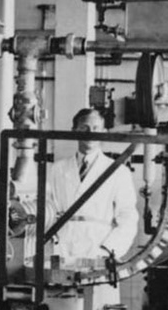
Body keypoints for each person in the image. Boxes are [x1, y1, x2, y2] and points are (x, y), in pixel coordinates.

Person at [43, 107, 140, 266]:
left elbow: (128, 217)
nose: (90, 133)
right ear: (74, 131)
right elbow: (46, 208)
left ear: (104, 132)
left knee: (94, 289)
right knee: (59, 290)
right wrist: (51, 242)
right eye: (84, 128)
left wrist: (109, 249)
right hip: (61, 250)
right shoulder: (56, 170)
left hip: (99, 251)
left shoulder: (119, 172)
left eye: (96, 128)